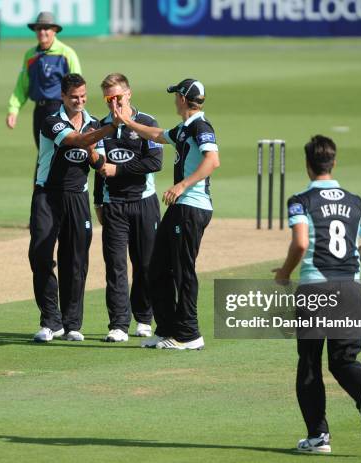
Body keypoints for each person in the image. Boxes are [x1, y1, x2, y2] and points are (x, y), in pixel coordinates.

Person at [272, 135, 361, 453]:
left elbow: (301, 244)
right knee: (344, 360)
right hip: (351, 289)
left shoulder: (300, 201)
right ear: (333, 163)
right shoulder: (356, 201)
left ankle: (319, 437)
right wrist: (347, 257)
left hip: (315, 289)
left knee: (309, 364)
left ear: (308, 165)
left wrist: (283, 274)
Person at [112, 78, 220, 350]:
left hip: (192, 206)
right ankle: (167, 329)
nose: (174, 100)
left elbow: (212, 160)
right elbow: (158, 135)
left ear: (183, 99)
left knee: (183, 270)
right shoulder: (184, 129)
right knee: (156, 267)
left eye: (176, 96)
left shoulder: (200, 126)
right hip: (180, 208)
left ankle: (189, 335)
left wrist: (182, 185)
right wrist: (127, 121)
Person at [29, 73, 118, 343]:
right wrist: (113, 126)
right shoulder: (52, 121)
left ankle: (71, 324)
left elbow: (100, 163)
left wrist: (96, 148)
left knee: (76, 260)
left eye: (83, 96)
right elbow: (75, 141)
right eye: (74, 97)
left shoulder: (93, 123)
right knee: (41, 255)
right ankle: (50, 321)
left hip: (78, 197)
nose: (79, 101)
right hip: (48, 195)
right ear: (63, 97)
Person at [92, 73, 163, 343]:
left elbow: (155, 162)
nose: (114, 103)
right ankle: (119, 324)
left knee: (144, 264)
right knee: (115, 266)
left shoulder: (147, 123)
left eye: (118, 97)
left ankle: (144, 318)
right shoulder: (102, 126)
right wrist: (99, 200)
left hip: (144, 202)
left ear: (129, 94)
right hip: (113, 205)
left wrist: (118, 169)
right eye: (109, 99)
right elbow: (99, 169)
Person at [6, 12, 81, 149]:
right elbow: (22, 86)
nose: (42, 31)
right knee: (43, 154)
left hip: (60, 110)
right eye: (39, 28)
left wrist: (75, 114)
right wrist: (13, 109)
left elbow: (77, 87)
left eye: (46, 28)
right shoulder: (30, 55)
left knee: (57, 154)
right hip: (39, 111)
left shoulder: (66, 53)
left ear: (54, 30)